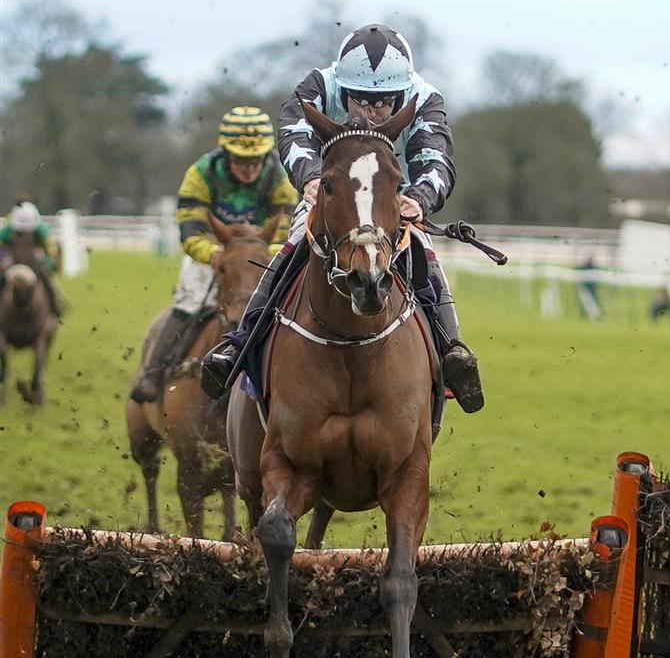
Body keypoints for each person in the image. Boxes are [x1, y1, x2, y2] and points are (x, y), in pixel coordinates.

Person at [199, 23, 483, 413]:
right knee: (296, 238)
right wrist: (311, 178)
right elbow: (293, 134)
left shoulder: (426, 98)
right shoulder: (318, 85)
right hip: (331, 196)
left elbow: (436, 157)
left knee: (423, 251)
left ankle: (452, 352)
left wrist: (419, 198)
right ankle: (240, 345)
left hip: (388, 200)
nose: (368, 111)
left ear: (401, 93)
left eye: (382, 102)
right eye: (358, 99)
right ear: (343, 86)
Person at [128, 107, 297, 403]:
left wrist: (257, 253)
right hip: (213, 253)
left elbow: (285, 227)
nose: (249, 169)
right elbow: (190, 229)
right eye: (241, 160)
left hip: (261, 256)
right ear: (226, 151)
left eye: (256, 160)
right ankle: (153, 374)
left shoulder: (279, 176)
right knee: (190, 299)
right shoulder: (201, 173)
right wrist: (214, 254)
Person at [0, 200, 64, 316]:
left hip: (35, 265)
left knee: (47, 280)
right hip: (13, 264)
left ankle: (55, 306)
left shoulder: (41, 230)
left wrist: (48, 262)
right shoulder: (8, 230)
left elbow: (51, 250)